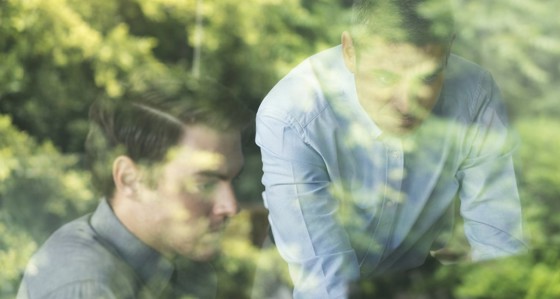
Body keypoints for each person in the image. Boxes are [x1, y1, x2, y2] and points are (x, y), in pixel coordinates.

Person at [255, 0, 528, 298]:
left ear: (449, 49)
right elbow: (325, 284)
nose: (406, 104)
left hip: (409, 282)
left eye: (426, 78)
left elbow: (499, 246)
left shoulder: (474, 94)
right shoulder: (293, 116)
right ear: (350, 51)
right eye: (386, 77)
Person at [17, 78, 253, 299]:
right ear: (130, 179)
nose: (231, 206)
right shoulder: (89, 286)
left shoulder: (184, 268)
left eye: (233, 180)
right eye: (204, 184)